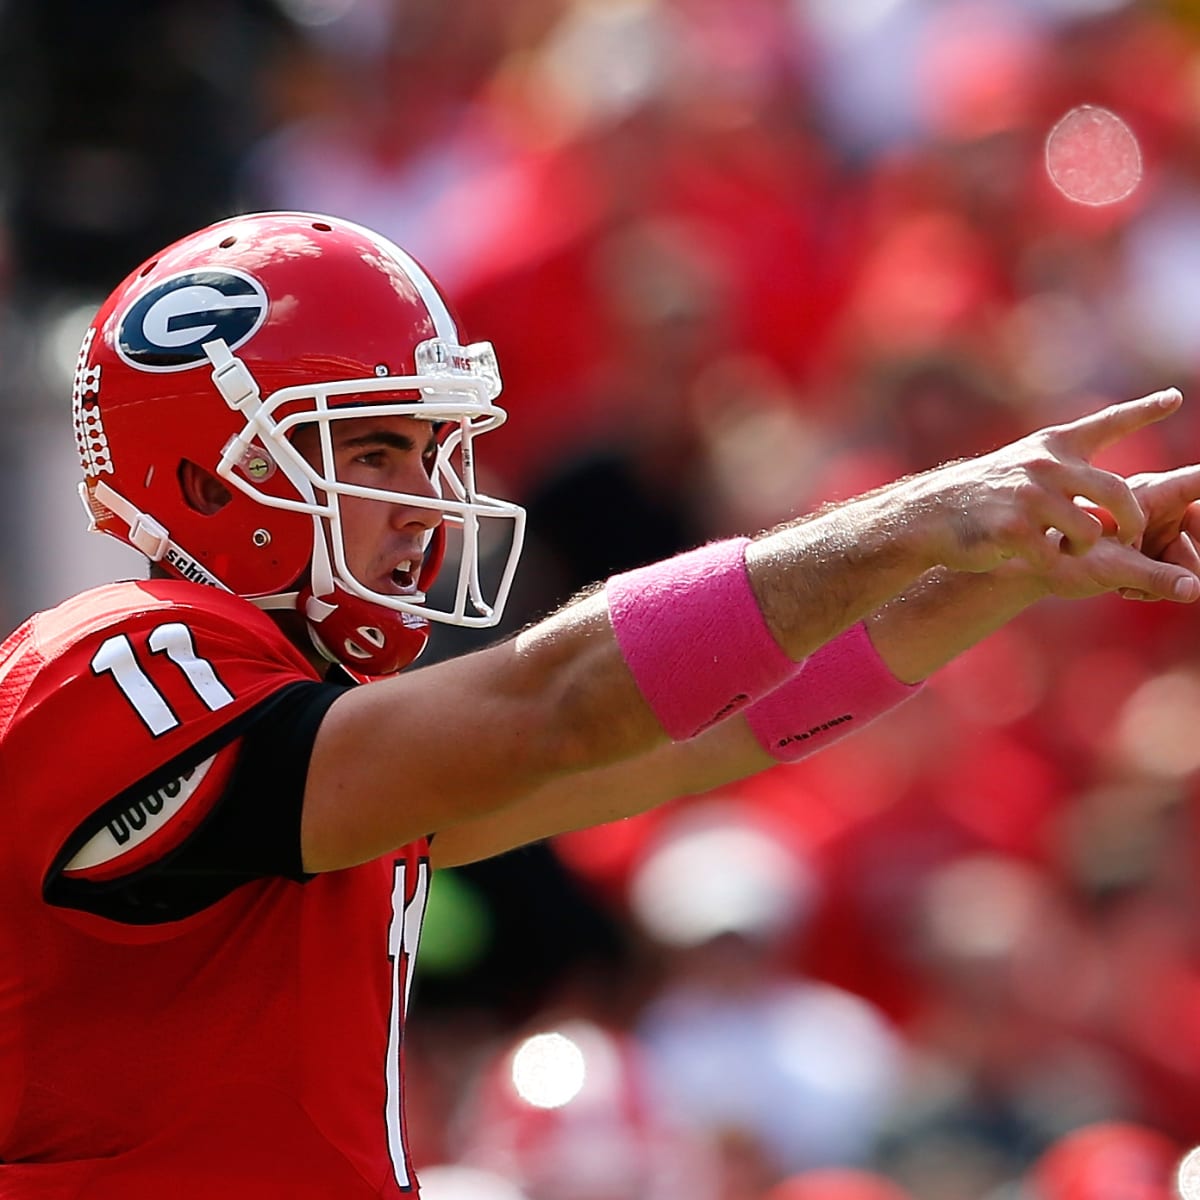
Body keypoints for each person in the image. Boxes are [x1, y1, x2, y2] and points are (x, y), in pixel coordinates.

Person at [3, 210, 1200, 1199]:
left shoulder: (315, 748)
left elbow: (709, 733)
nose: (427, 502)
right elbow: (559, 707)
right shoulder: (118, 664)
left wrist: (997, 576)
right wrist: (916, 518)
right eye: (371, 453)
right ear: (212, 474)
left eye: (434, 452)